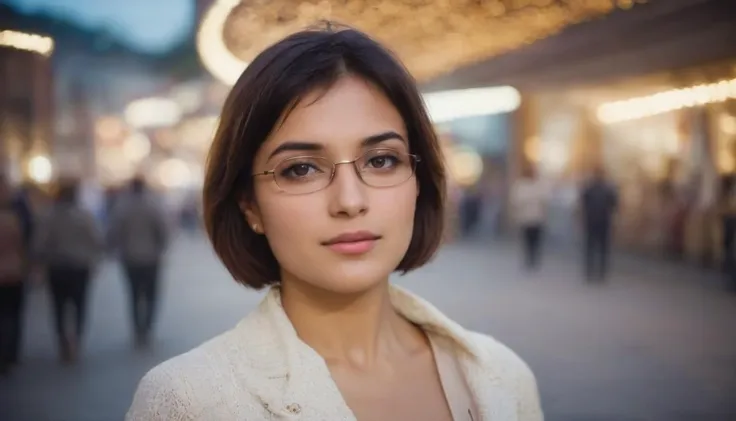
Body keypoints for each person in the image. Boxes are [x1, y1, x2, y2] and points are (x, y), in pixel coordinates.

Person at [127, 24, 542, 421]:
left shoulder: (502, 378)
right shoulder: (187, 402)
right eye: (302, 169)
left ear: (419, 180)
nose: (350, 201)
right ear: (249, 205)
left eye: (381, 161)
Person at [34, 179, 103, 363]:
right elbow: (96, 239)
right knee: (80, 306)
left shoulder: (49, 216)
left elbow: (39, 244)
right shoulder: (84, 215)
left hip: (57, 268)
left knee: (58, 307)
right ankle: (77, 339)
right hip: (80, 268)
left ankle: (63, 342)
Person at [108, 177, 169, 347]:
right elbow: (163, 229)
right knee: (151, 295)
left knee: (134, 295)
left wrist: (117, 249)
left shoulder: (122, 207)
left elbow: (114, 231)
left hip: (130, 259)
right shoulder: (153, 206)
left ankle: (137, 328)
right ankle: (147, 327)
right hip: (151, 258)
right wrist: (160, 248)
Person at [0, 174, 28, 374]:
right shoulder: (13, 218)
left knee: (9, 314)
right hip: (12, 271)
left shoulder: (14, 215)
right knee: (11, 315)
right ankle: (10, 354)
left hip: (12, 271)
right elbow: (23, 243)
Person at [580, 166, 618, 282]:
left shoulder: (606, 190)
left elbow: (614, 205)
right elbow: (583, 204)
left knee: (600, 248)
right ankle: (592, 271)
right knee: (593, 248)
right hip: (594, 221)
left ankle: (599, 272)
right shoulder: (591, 189)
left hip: (601, 222)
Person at [511, 165, 549, 270]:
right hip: (525, 218)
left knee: (536, 240)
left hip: (537, 218)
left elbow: (543, 201)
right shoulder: (521, 185)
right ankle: (528, 258)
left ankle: (534, 258)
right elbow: (516, 201)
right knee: (527, 240)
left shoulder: (538, 185)